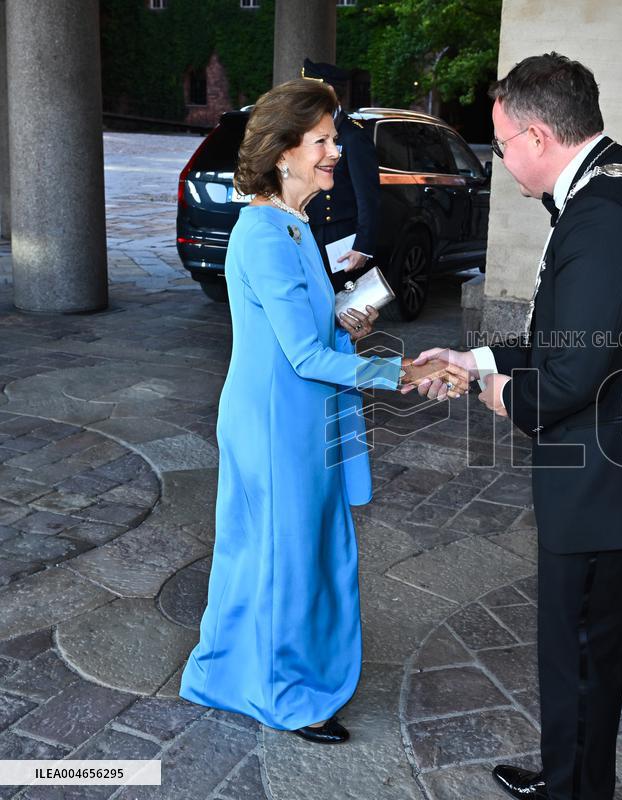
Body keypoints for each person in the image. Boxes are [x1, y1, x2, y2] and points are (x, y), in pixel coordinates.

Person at [407, 53, 622, 800]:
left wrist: (494, 391)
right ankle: (572, 773)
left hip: (612, 483)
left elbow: (566, 377)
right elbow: (576, 336)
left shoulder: (604, 216)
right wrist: (473, 354)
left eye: (498, 143)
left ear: (534, 135)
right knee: (587, 652)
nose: (499, 159)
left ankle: (575, 789)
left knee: (581, 651)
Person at [179, 78, 467, 744]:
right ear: (283, 152)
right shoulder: (268, 234)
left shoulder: (290, 222)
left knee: (276, 555)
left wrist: (355, 314)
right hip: (278, 422)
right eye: (324, 141)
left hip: (293, 416)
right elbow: (304, 357)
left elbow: (312, 332)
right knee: (288, 561)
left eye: (334, 139)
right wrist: (398, 371)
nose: (337, 152)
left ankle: (228, 673)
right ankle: (287, 696)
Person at [301, 58, 380, 286]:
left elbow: (368, 198)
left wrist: (362, 246)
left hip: (338, 236)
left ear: (330, 92)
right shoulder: (303, 129)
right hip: (307, 231)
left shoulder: (353, 136)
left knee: (339, 306)